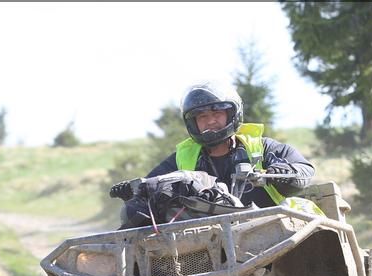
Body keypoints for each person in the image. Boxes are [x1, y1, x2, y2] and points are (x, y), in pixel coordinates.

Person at [119, 81, 316, 228]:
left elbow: (304, 170)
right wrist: (135, 190)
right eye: (202, 117)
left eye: (216, 114)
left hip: (269, 235)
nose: (210, 121)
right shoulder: (183, 157)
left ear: (232, 115)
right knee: (133, 213)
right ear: (192, 123)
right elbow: (152, 183)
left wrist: (276, 173)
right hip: (203, 244)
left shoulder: (262, 148)